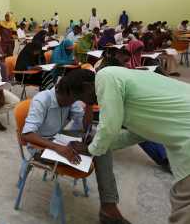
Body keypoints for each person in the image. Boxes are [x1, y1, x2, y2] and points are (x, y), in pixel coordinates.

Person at [66, 67, 190, 224]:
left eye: (82, 98)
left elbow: (109, 127)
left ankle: (108, 212)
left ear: (86, 86)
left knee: (184, 207)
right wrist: (100, 145)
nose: (86, 103)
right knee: (181, 199)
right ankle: (109, 213)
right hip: (183, 128)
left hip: (186, 132)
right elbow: (137, 134)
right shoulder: (124, 82)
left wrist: (90, 148)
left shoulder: (105, 77)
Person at [22, 70, 129, 224]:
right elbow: (27, 135)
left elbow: (85, 128)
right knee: (97, 148)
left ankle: (108, 205)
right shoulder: (42, 100)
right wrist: (58, 148)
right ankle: (108, 208)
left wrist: (89, 105)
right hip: (39, 145)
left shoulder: (71, 100)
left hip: (58, 138)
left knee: (101, 146)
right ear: (73, 91)